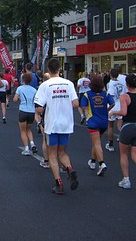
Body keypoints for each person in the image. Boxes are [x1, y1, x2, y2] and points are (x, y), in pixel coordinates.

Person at [35, 57, 79, 195]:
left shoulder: (45, 85)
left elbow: (38, 108)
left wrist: (48, 109)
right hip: (66, 124)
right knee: (62, 152)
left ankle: (58, 184)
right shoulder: (68, 84)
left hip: (52, 124)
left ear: (48, 70)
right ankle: (69, 167)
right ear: (60, 69)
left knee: (52, 155)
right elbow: (76, 103)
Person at [81, 75, 115, 176]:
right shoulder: (106, 93)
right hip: (104, 121)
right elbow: (112, 103)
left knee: (97, 143)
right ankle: (92, 161)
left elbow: (83, 106)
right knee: (97, 141)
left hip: (93, 121)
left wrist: (87, 114)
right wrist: (106, 111)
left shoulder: (87, 94)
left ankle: (101, 163)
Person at [13, 72, 38, 156]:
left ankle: (26, 148)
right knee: (29, 129)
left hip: (23, 110)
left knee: (23, 131)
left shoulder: (20, 88)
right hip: (31, 111)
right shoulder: (34, 90)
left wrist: (19, 97)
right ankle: (32, 143)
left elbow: (15, 99)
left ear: (22, 80)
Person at [105, 68, 127, 152]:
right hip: (120, 105)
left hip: (112, 105)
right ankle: (123, 141)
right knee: (120, 125)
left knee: (110, 125)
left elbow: (110, 95)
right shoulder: (122, 84)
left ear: (110, 75)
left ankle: (110, 144)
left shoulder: (110, 84)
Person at [35, 72, 51, 168]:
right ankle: (65, 163)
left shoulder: (42, 87)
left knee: (45, 139)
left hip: (46, 116)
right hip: (60, 116)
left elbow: (38, 107)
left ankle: (47, 160)